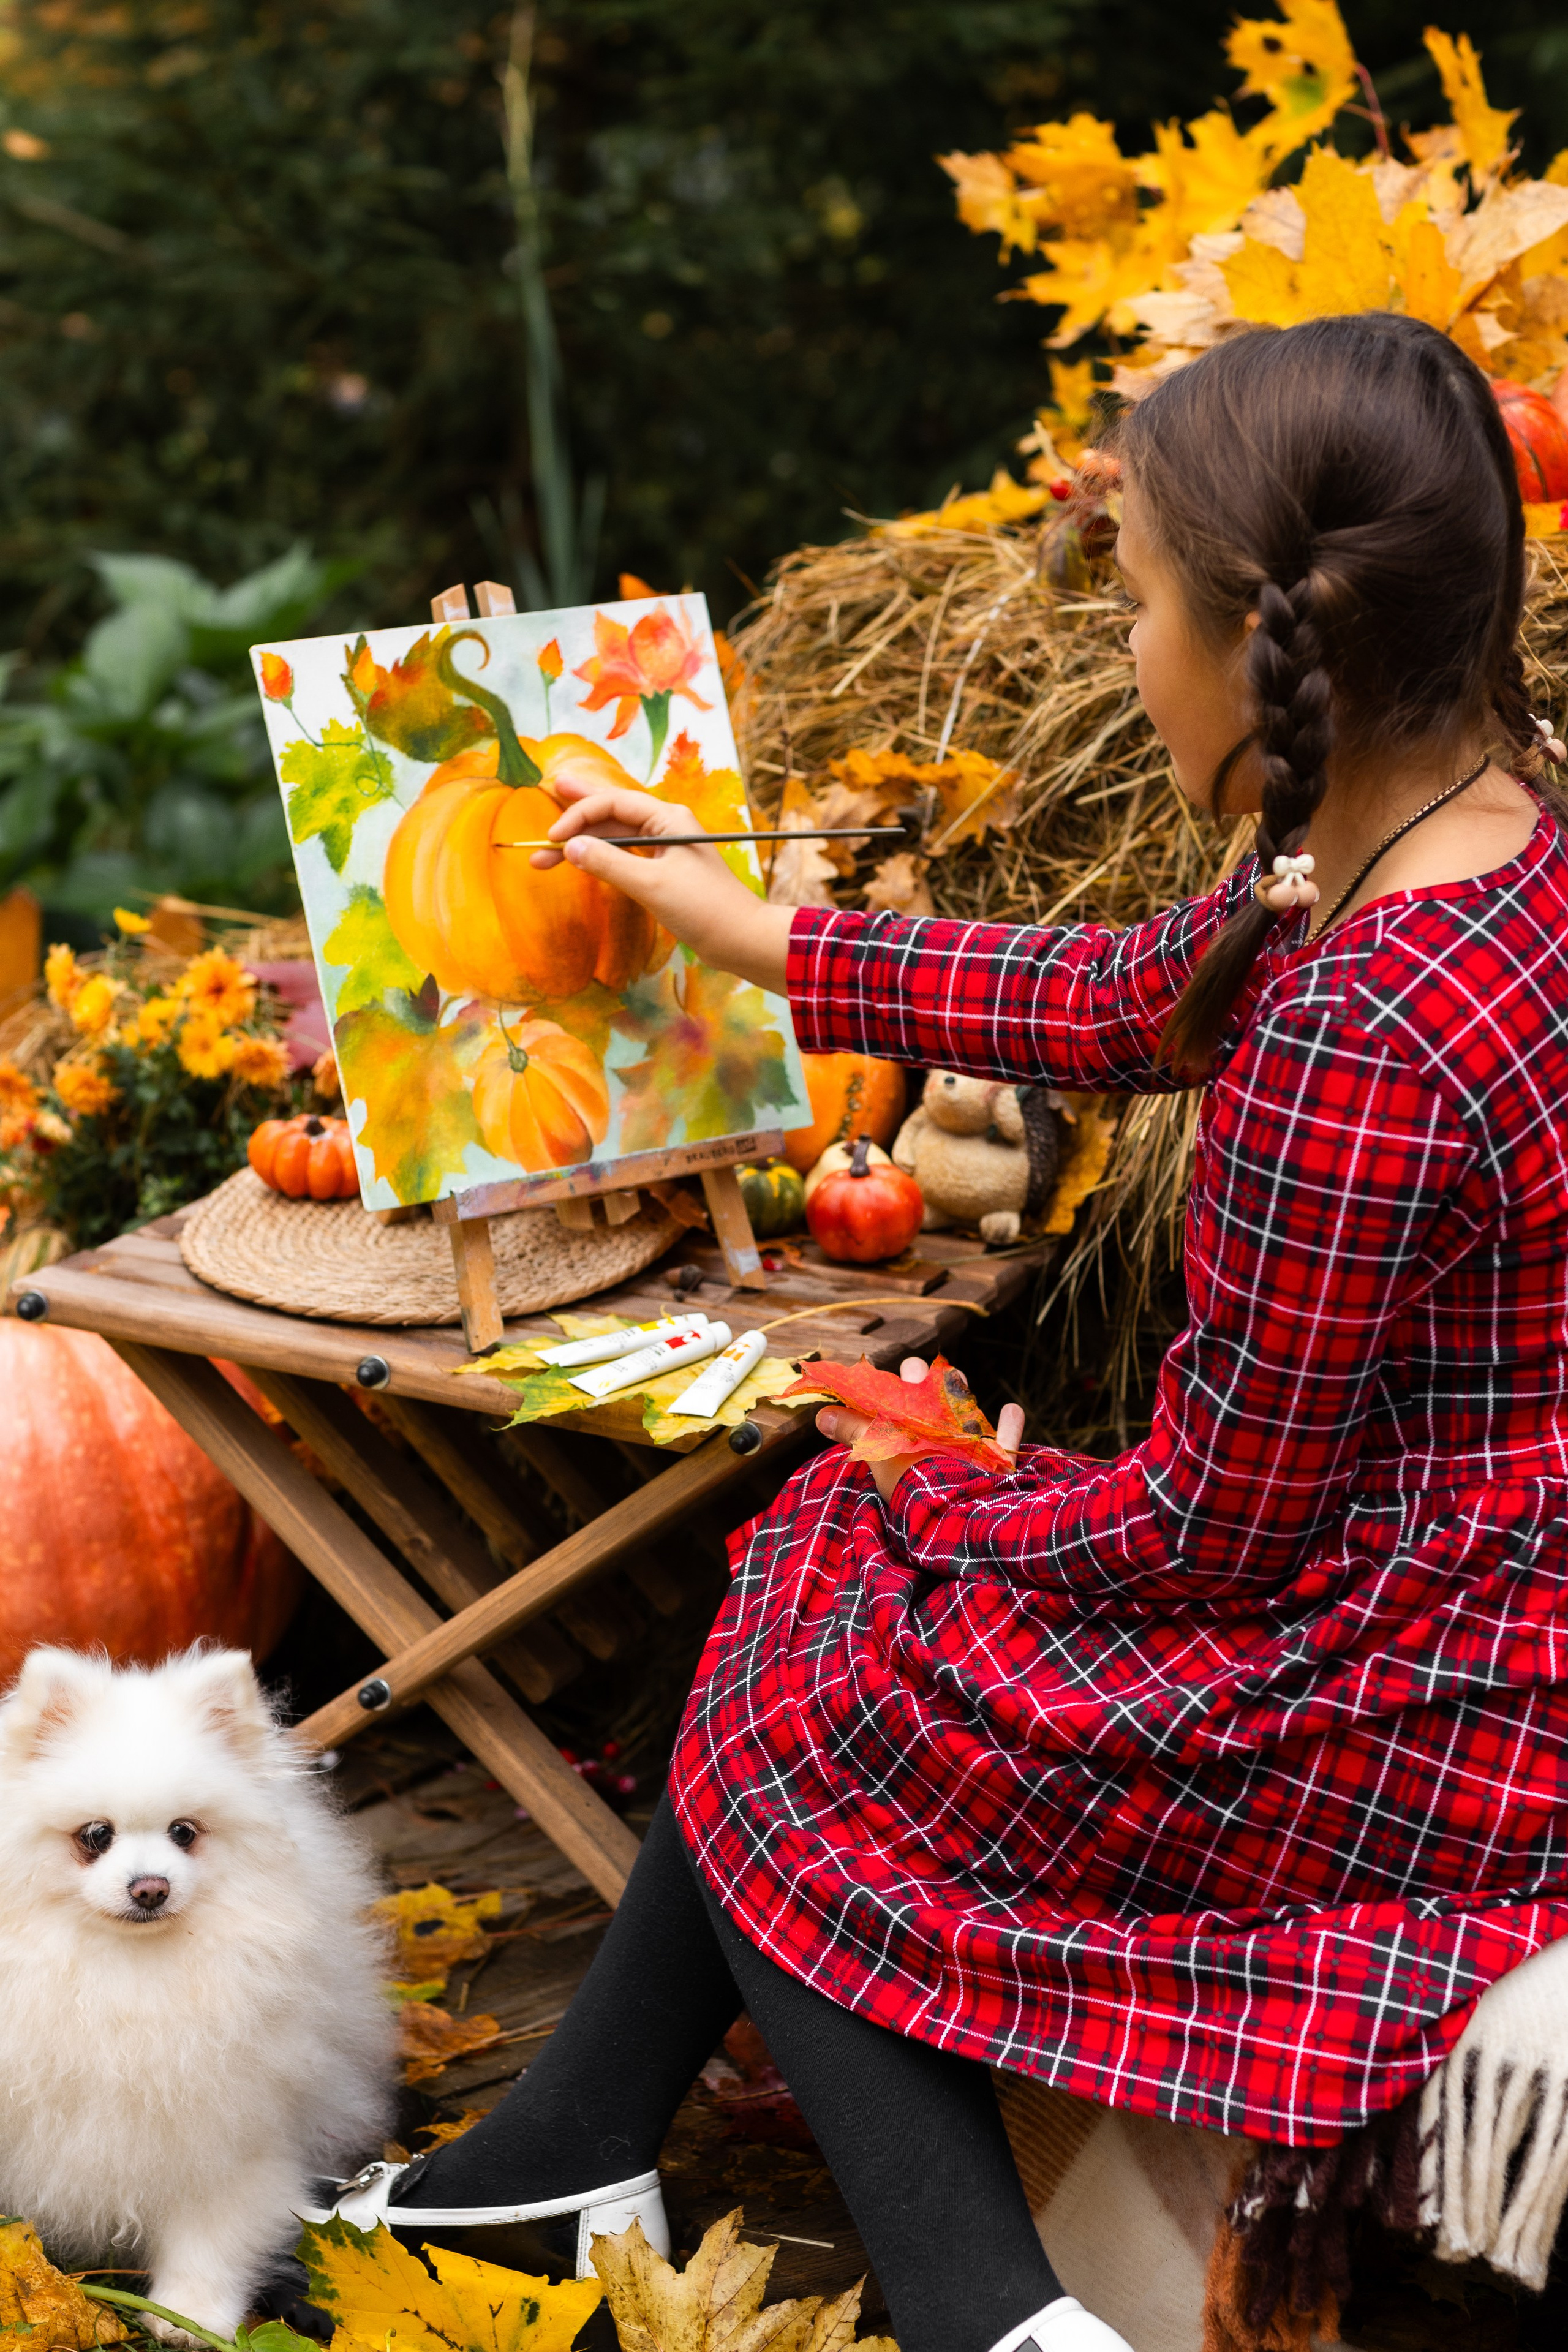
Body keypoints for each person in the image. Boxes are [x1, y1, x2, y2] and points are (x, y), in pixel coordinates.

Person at [320, 314, 1568, 2352]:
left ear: (1265, 644)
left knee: (827, 1574)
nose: (1122, 655)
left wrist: (962, 1503)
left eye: (1139, 606)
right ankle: (558, 2165)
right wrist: (735, 923)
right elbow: (1104, 997)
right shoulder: (1474, 843)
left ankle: (979, 2308)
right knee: (844, 1547)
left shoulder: (1361, 1030)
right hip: (1470, 1578)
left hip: (1426, 1688)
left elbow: (1211, 1535)